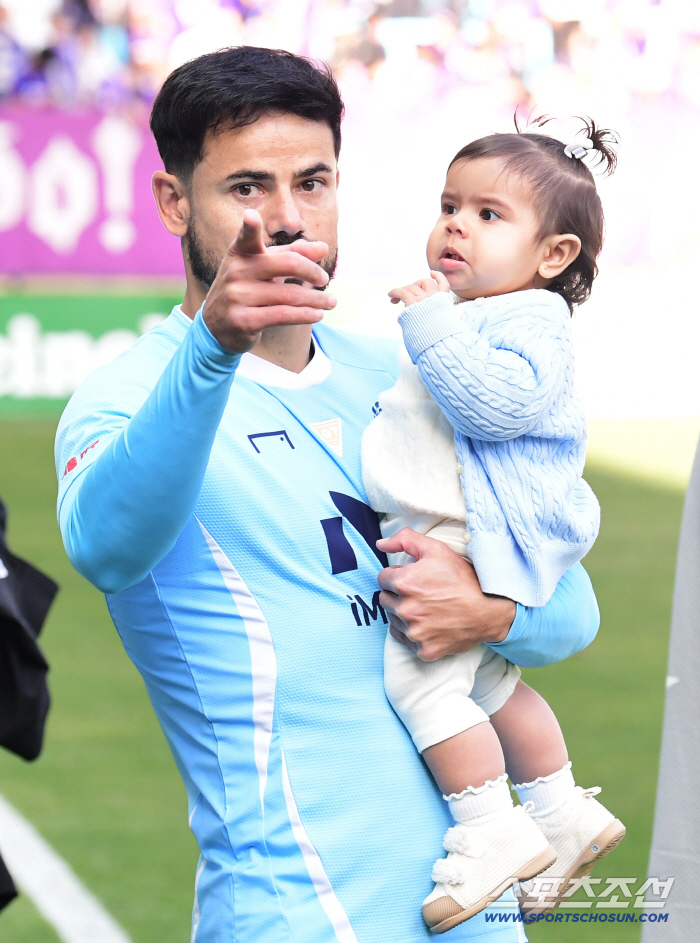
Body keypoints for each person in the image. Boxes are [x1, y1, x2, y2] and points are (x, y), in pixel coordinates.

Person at [55, 47, 600, 943]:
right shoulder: (127, 398)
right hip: (296, 912)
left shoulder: (405, 372)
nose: (285, 217)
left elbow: (569, 609)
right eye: (246, 188)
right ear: (174, 202)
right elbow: (107, 546)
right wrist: (215, 347)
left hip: (477, 911)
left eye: (313, 182)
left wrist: (488, 611)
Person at [362, 121, 625, 932]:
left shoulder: (528, 319)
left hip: (473, 531)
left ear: (553, 256)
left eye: (487, 214)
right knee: (489, 682)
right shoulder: (480, 312)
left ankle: (489, 828)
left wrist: (431, 323)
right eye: (448, 205)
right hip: (458, 523)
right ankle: (560, 807)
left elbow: (496, 406)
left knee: (420, 680)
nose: (455, 225)